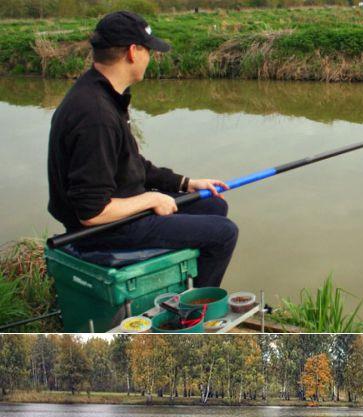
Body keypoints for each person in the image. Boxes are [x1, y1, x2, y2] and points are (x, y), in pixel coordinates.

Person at [47, 11, 238, 287]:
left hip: (121, 209)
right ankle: (194, 315)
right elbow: (91, 213)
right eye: (149, 50)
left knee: (213, 204)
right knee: (224, 233)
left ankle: (173, 286)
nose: (151, 57)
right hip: (103, 230)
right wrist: (150, 200)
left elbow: (131, 163)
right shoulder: (96, 114)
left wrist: (186, 183)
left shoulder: (101, 93)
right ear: (133, 52)